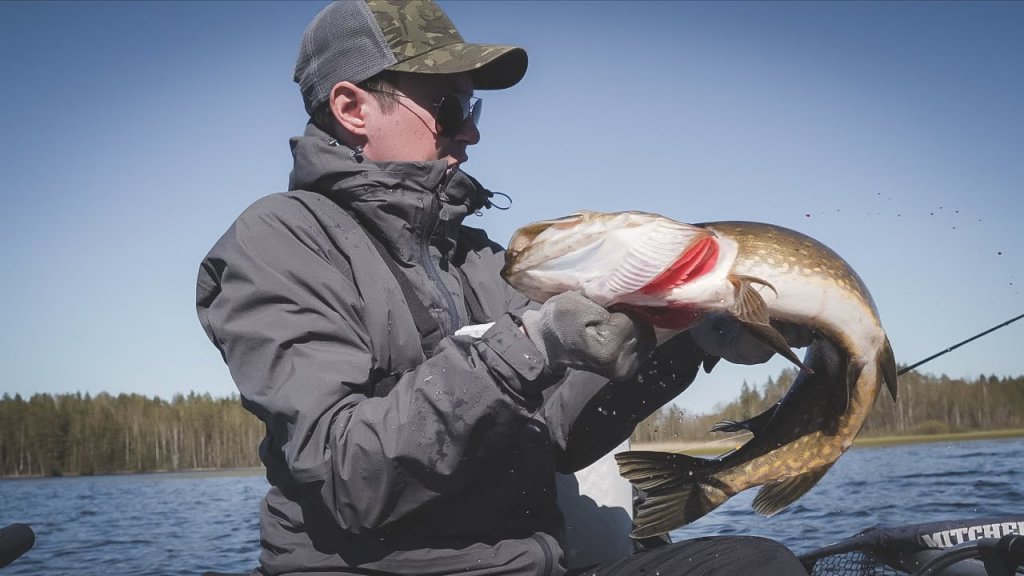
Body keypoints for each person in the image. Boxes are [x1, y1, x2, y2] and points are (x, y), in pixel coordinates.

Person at [196, 2, 808, 575]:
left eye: (474, 110)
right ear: (353, 109)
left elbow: (562, 437)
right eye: (450, 108)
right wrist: (529, 347)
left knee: (758, 564)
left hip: (529, 561)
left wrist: (685, 339)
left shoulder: (479, 256)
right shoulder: (277, 241)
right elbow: (348, 475)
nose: (472, 134)